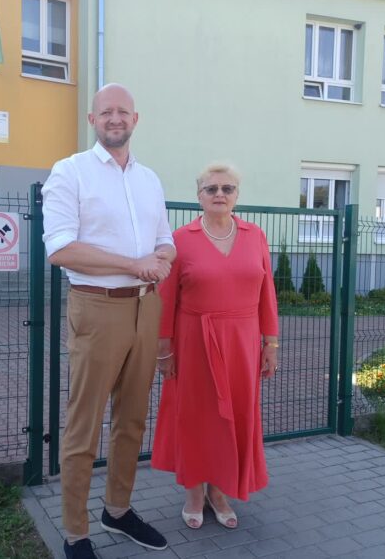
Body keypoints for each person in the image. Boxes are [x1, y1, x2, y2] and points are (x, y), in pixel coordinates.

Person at [42, 83, 176, 559]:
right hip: (97, 308)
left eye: (123, 111)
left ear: (135, 119)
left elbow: (165, 241)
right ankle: (75, 534)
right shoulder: (70, 172)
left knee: (132, 420)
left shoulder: (149, 179)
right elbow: (60, 248)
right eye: (106, 112)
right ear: (92, 119)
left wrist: (160, 259)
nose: (115, 118)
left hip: (146, 306)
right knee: (84, 425)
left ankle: (117, 511)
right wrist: (134, 264)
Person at [151, 164, 279, 530]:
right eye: (211, 189)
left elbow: (267, 293)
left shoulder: (255, 235)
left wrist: (271, 342)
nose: (219, 194)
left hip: (242, 344)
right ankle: (194, 492)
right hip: (194, 342)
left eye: (227, 188)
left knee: (233, 418)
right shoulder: (181, 239)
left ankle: (219, 491)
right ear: (199, 196)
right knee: (195, 418)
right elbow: (166, 300)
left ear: (237, 195)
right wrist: (164, 350)